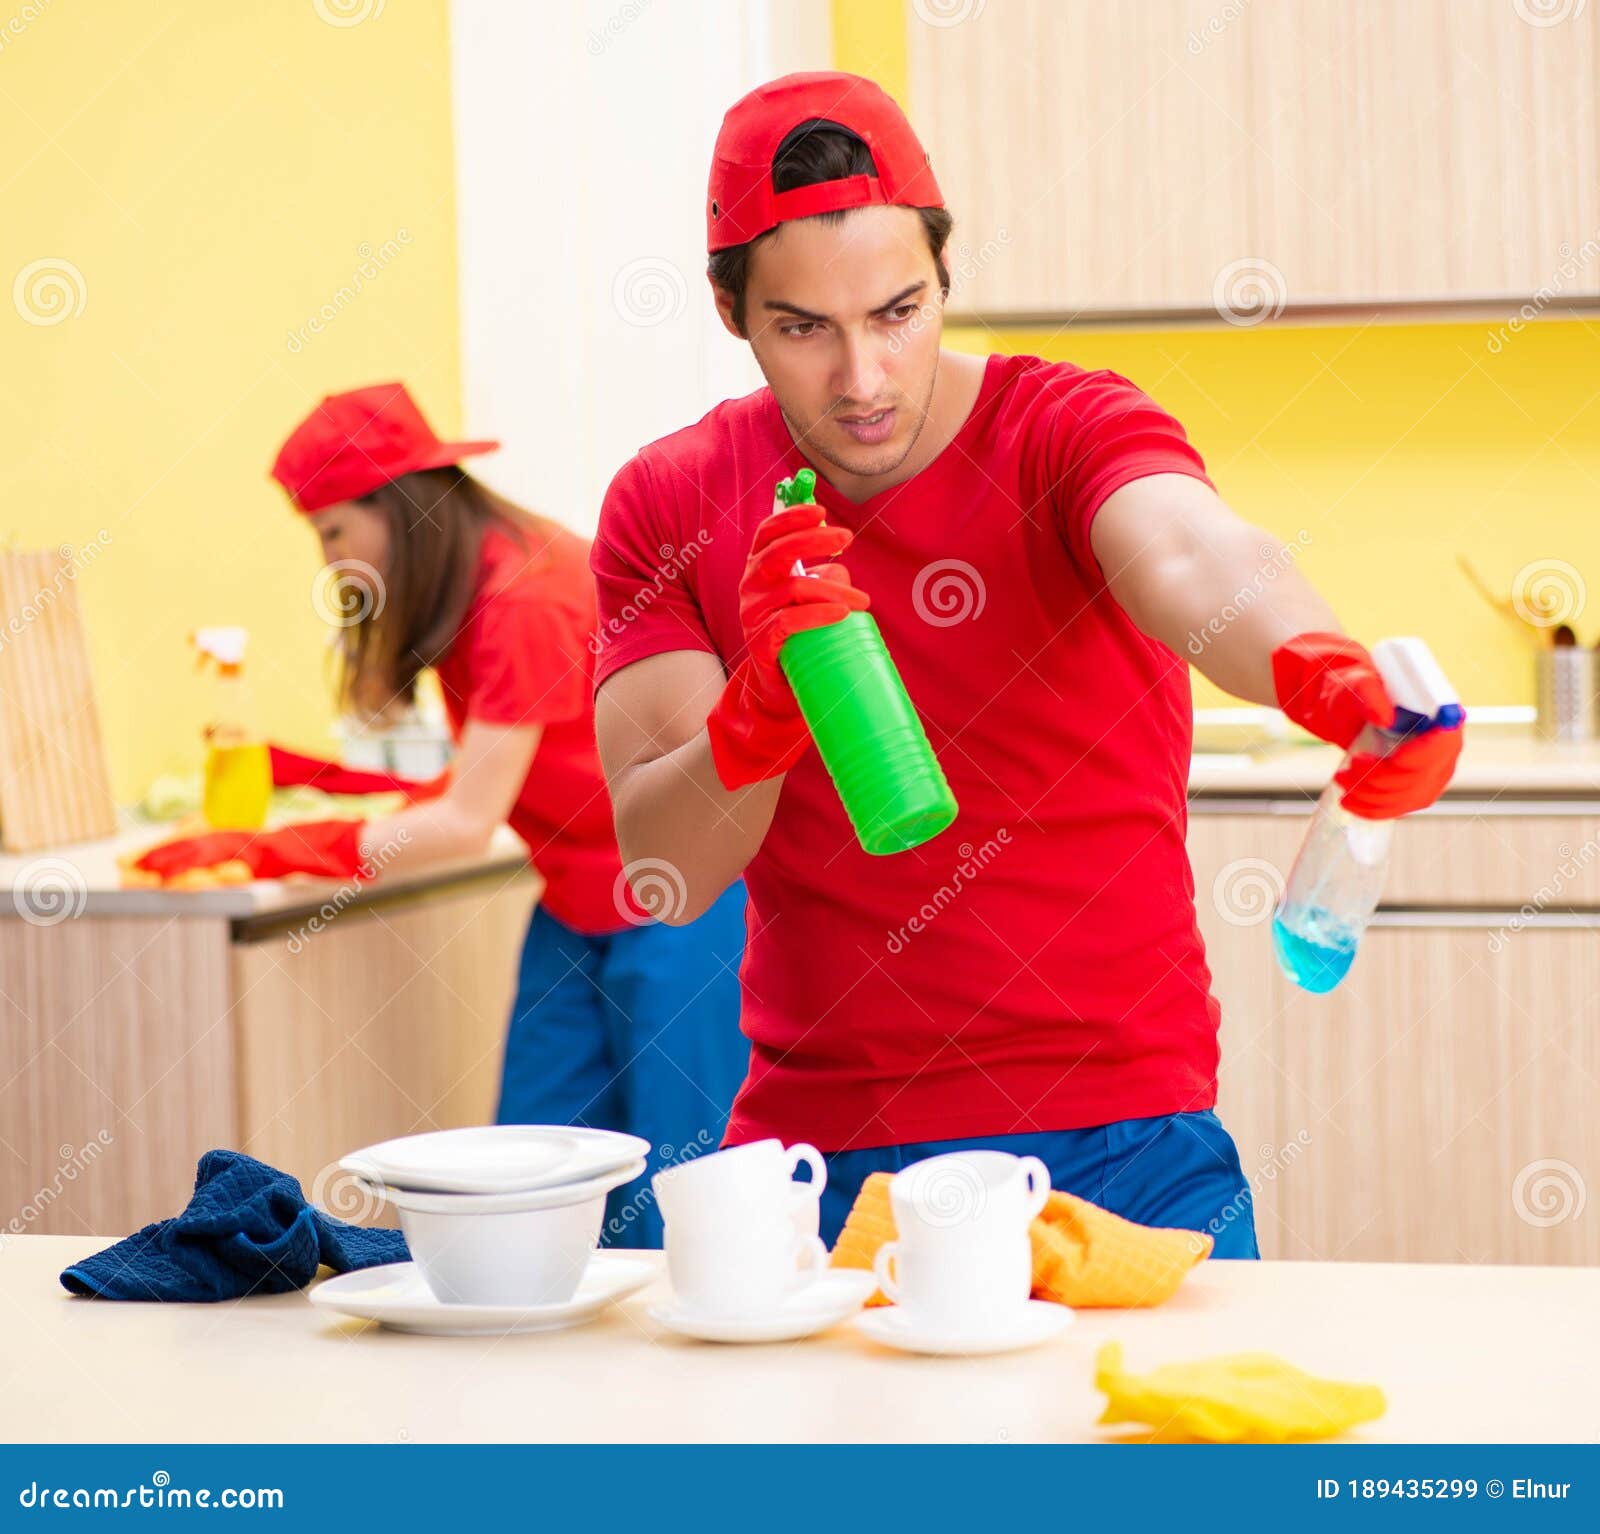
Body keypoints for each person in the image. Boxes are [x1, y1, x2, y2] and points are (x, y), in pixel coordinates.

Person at [588, 74, 1464, 1253]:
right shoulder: (670, 502)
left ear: (945, 276)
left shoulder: (1064, 428)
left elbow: (1190, 553)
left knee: (1183, 1438)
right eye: (804, 328)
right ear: (729, 309)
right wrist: (755, 714)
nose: (862, 380)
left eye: (897, 311)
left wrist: (1318, 667)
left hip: (1129, 1138)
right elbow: (665, 869)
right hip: (831, 1158)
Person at [139, 383, 750, 1247]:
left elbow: (467, 820)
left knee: (678, 1195)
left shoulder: (525, 597)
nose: (329, 563)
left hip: (681, 906)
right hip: (582, 900)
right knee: (523, 1181)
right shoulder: (478, 584)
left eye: (332, 532)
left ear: (393, 506)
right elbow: (493, 769)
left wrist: (278, 847)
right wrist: (306, 780)